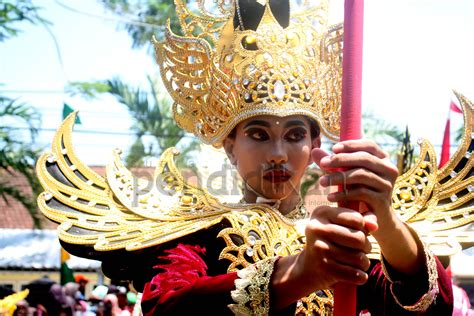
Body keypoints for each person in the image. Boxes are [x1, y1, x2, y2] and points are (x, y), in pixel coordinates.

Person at [36, 0, 471, 315]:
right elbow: (167, 305)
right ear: (229, 144)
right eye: (259, 134)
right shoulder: (197, 234)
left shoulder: (349, 230)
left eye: (296, 134)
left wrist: (388, 223)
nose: (278, 153)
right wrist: (296, 275)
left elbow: (429, 308)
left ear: (316, 144)